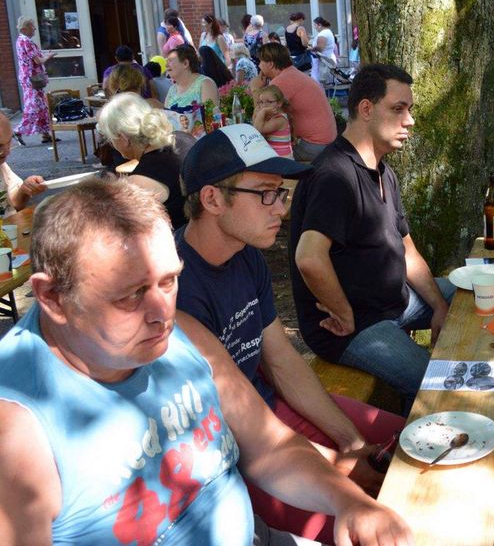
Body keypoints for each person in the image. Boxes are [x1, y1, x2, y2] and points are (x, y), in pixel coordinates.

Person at [0, 179, 414, 546]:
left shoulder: (183, 333)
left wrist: (350, 503)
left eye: (169, 280)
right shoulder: (19, 428)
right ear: (52, 297)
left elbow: (269, 447)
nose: (161, 313)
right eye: (130, 295)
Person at [175, 124, 406, 541]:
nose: (281, 210)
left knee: (412, 441)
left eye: (281, 193)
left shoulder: (246, 257)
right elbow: (242, 433)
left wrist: (351, 443)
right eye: (266, 193)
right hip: (233, 454)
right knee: (373, 515)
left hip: (272, 414)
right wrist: (339, 467)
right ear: (211, 199)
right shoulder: (173, 289)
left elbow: (282, 360)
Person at [289, 64, 454, 411]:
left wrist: (440, 307)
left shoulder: (383, 170)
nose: (409, 120)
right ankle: (410, 435)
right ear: (366, 108)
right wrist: (344, 313)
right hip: (354, 326)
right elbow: (309, 258)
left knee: (470, 291)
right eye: (398, 109)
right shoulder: (334, 175)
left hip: (396, 303)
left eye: (410, 109)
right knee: (435, 385)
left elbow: (407, 251)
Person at [98, 93, 186, 228]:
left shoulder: (140, 182)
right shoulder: (183, 138)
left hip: (180, 238)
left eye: (111, 140)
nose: (112, 145)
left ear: (123, 138)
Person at [251, 43, 336, 161]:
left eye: (260, 61)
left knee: (260, 153)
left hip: (314, 145)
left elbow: (261, 117)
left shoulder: (281, 81)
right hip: (326, 143)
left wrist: (255, 88)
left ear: (270, 64)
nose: (259, 65)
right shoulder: (291, 73)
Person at [14, 16, 54, 145]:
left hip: (30, 78)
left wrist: (44, 55)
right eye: (32, 26)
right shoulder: (26, 42)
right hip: (32, 79)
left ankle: (45, 134)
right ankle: (18, 131)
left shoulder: (21, 40)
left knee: (41, 105)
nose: (34, 29)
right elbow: (38, 61)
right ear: (24, 28)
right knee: (34, 106)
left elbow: (34, 58)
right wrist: (49, 56)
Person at [164, 45, 218, 138]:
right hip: (175, 143)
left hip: (200, 143)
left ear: (185, 63)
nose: (166, 65)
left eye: (170, 61)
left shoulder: (205, 84)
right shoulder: (172, 89)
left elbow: (211, 120)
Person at [0, 114, 46, 214]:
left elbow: (14, 205)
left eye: (9, 142)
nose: (7, 151)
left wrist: (24, 190)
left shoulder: (2, 167)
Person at [252, 85, 293, 157]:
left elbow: (257, 130)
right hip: (272, 156)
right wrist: (255, 113)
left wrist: (262, 112)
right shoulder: (270, 117)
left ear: (279, 103)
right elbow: (254, 126)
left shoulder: (279, 119)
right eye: (261, 102)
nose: (264, 106)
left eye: (269, 102)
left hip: (282, 158)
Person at [310, 16, 338, 88]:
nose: (315, 28)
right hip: (325, 60)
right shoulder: (327, 32)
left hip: (321, 62)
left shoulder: (323, 34)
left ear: (319, 25)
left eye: (315, 25)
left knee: (319, 83)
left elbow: (320, 48)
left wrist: (310, 48)